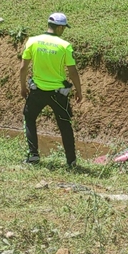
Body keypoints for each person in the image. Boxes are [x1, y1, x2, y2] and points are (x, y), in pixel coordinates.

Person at [19, 13, 82, 167]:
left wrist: (22, 87)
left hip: (37, 91)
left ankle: (33, 155)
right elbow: (72, 71)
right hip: (58, 94)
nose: (64, 31)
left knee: (29, 117)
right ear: (60, 27)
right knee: (65, 125)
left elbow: (23, 68)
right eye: (64, 28)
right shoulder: (64, 45)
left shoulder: (32, 41)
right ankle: (71, 161)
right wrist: (79, 90)